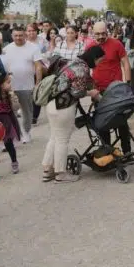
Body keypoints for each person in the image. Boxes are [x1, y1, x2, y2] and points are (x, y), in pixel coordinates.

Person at [40, 47, 103, 183]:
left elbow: (84, 81)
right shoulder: (82, 68)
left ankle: (47, 170)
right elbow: (77, 92)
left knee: (54, 137)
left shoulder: (73, 62)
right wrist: (91, 93)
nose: (98, 63)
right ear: (94, 57)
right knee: (62, 139)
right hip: (64, 107)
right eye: (99, 60)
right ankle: (61, 174)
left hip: (51, 104)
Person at [2, 25, 42, 141]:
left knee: (27, 111)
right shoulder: (6, 49)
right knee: (10, 113)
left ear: (25, 35)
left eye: (20, 35)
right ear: (12, 36)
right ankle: (13, 135)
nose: (18, 38)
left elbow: (38, 67)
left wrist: (37, 84)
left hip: (27, 86)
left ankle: (26, 132)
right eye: (16, 35)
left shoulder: (33, 48)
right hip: (11, 87)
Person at [0, 73, 20, 181]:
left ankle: (14, 162)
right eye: (8, 82)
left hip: (6, 123)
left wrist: (13, 96)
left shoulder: (8, 94)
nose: (10, 84)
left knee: (9, 143)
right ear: (1, 84)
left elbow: (14, 109)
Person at [85, 21, 131, 91]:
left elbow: (126, 63)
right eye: (97, 34)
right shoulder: (89, 47)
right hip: (97, 88)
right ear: (93, 33)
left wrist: (128, 82)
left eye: (103, 33)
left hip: (116, 87)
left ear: (107, 31)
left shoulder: (117, 44)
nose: (101, 36)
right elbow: (86, 67)